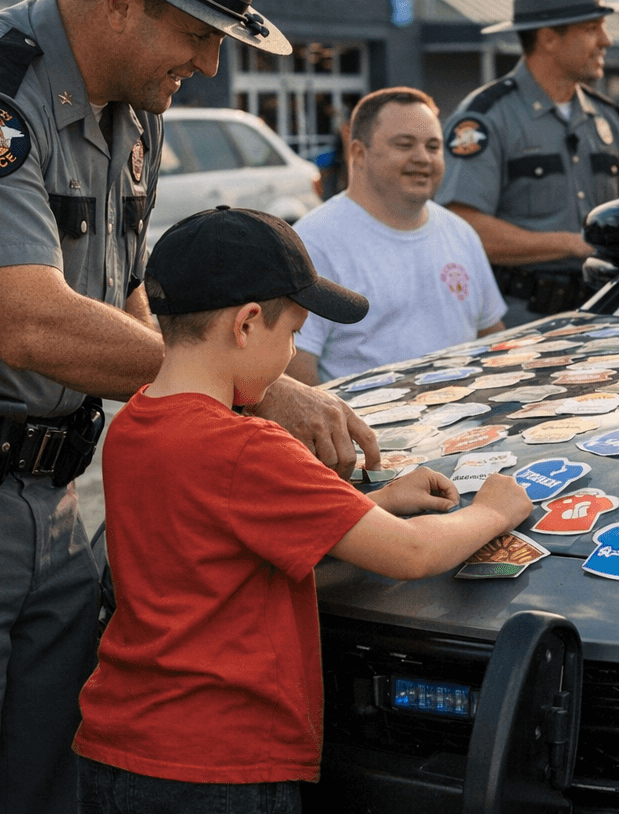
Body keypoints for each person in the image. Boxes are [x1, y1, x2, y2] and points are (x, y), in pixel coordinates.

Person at [0, 0, 379, 814]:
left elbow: (131, 302)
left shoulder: (134, 114)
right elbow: (30, 321)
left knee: (52, 785)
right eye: (199, 33)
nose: (210, 64)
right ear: (121, 1)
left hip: (65, 492)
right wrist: (253, 388)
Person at [73, 206, 533, 810]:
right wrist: (496, 510)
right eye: (292, 332)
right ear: (246, 324)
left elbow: (225, 540)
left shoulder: (136, 422)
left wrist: (379, 502)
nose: (293, 353)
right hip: (220, 766)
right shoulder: (245, 447)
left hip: (122, 746)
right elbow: (412, 553)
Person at [435, 0, 619, 328]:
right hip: (525, 325)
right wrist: (571, 244)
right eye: (592, 28)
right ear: (549, 38)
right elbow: (462, 227)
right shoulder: (486, 118)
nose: (607, 40)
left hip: (607, 317)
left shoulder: (606, 117)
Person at [287, 87, 506, 384]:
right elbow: (295, 375)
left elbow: (492, 337)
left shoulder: (461, 233)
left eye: (433, 147)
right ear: (358, 153)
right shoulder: (312, 243)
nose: (423, 158)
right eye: (404, 145)